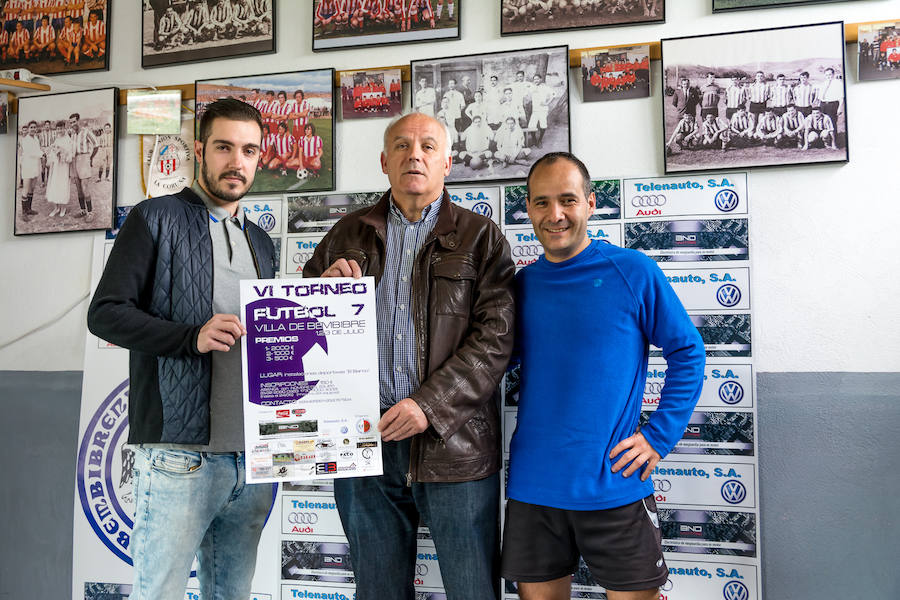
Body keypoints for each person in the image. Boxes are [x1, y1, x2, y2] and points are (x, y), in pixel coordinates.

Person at [302, 111, 515, 599]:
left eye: (427, 146)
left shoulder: (481, 237)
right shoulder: (345, 235)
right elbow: (298, 330)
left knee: (472, 591)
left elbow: (495, 339)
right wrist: (319, 291)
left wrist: (428, 406)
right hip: (362, 444)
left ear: (447, 163)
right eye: (401, 146)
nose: (414, 155)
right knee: (377, 591)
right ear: (384, 161)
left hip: (455, 447)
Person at [86, 98, 276, 600]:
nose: (237, 162)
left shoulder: (262, 242)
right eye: (224, 147)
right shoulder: (154, 217)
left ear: (260, 157)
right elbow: (105, 313)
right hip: (178, 457)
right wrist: (190, 337)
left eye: (249, 150)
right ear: (199, 150)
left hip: (254, 459)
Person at [502, 152, 705, 600]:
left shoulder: (632, 271)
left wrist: (658, 437)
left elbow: (688, 351)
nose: (555, 214)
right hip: (534, 489)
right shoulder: (520, 287)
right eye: (541, 202)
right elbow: (490, 361)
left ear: (591, 203)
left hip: (615, 484)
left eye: (568, 200)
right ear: (528, 209)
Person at [46, 121, 74, 218]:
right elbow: (52, 151)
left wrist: (63, 153)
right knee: (55, 185)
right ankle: (56, 208)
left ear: (64, 128)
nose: (60, 130)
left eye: (61, 128)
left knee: (63, 185)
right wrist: (54, 152)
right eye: (58, 129)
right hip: (56, 166)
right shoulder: (56, 139)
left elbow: (70, 154)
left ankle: (63, 208)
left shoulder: (68, 139)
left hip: (64, 166)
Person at [18, 120, 43, 222]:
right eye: (31, 127)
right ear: (28, 129)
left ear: (36, 129)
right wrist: (42, 154)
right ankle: (24, 213)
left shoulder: (36, 139)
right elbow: (31, 152)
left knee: (32, 189)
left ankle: (29, 209)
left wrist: (44, 153)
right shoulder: (25, 140)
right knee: (26, 189)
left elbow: (38, 150)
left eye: (34, 127)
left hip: (35, 166)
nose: (33, 129)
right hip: (27, 167)